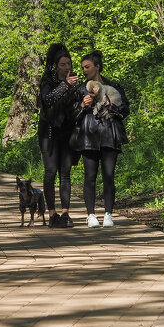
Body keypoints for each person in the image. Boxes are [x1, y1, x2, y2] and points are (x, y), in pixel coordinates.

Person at [72, 50, 130, 228]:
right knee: (90, 176)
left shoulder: (114, 87)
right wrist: (82, 105)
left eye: (87, 67)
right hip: (88, 134)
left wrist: (111, 106)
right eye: (82, 68)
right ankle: (90, 215)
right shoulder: (80, 89)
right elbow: (71, 114)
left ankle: (108, 214)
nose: (84, 70)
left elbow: (125, 109)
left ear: (97, 67)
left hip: (109, 134)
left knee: (109, 175)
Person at [38, 43, 79, 227]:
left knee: (66, 173)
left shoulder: (74, 81)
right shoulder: (47, 81)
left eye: (69, 64)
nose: (67, 68)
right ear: (56, 66)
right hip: (49, 133)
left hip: (68, 132)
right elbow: (48, 99)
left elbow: (76, 106)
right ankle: (52, 214)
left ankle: (66, 214)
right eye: (63, 64)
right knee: (50, 172)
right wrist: (65, 85)